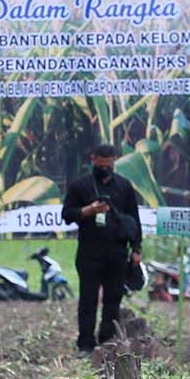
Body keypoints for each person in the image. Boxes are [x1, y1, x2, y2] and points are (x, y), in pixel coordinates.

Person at [62, 144, 142, 356]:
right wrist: (89, 210)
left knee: (113, 299)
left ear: (114, 161)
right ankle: (85, 344)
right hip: (89, 252)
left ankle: (107, 341)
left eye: (109, 164)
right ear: (93, 159)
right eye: (102, 164)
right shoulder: (80, 185)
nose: (105, 168)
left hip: (117, 252)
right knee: (88, 299)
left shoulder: (124, 186)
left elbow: (135, 219)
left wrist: (136, 249)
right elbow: (67, 214)